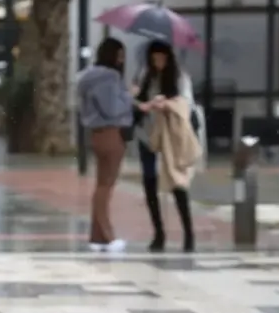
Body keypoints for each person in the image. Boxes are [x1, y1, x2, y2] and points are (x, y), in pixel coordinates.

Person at [133, 40, 197, 252]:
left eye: (161, 58)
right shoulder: (144, 75)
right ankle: (158, 232)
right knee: (150, 182)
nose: (158, 62)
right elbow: (137, 100)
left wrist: (167, 104)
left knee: (177, 182)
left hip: (171, 136)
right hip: (148, 135)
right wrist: (142, 102)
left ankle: (188, 233)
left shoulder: (179, 77)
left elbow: (186, 104)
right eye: (154, 59)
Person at [76, 37, 133, 253]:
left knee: (102, 184)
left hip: (96, 134)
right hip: (111, 133)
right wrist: (129, 97)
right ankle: (108, 236)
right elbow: (112, 108)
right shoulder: (109, 77)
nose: (122, 60)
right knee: (106, 186)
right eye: (119, 56)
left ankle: (97, 236)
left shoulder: (88, 77)